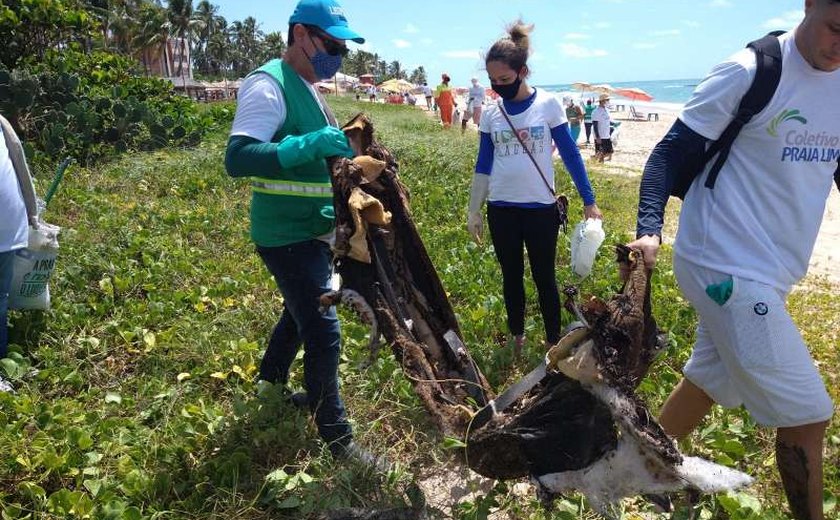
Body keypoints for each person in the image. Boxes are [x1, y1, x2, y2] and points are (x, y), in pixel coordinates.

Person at [628, 1, 839, 518]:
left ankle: (637, 473)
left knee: (708, 381)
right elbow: (667, 155)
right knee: (809, 416)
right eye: (838, 28)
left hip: (773, 268)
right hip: (721, 262)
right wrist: (649, 230)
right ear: (811, 5)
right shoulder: (750, 72)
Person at [224, 0, 379, 466]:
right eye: (330, 44)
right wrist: (307, 144)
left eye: (342, 48)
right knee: (323, 329)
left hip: (313, 231)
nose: (337, 55)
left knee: (298, 314)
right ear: (299, 35)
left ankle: (269, 384)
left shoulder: (311, 88)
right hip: (284, 233)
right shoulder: (267, 84)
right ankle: (337, 436)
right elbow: (239, 158)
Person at [466, 20, 602, 355]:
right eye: (493, 81)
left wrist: (589, 199)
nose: (499, 87)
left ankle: (553, 341)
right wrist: (474, 208)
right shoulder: (492, 114)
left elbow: (570, 154)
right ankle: (517, 339)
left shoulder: (549, 105)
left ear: (522, 71)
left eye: (505, 80)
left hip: (540, 208)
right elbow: (483, 163)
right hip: (501, 209)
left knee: (544, 277)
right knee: (511, 276)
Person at [0, 115, 30, 392]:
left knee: (1, 300)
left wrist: (32, 214)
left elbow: (20, 167)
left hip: (7, 234)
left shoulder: (0, 123)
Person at [591, 93, 613, 162]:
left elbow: (607, 121)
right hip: (600, 136)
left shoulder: (606, 110)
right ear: (602, 101)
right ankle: (596, 160)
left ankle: (594, 158)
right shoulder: (596, 111)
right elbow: (595, 124)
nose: (608, 101)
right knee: (601, 153)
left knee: (610, 151)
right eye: (607, 100)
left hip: (607, 135)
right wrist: (597, 137)